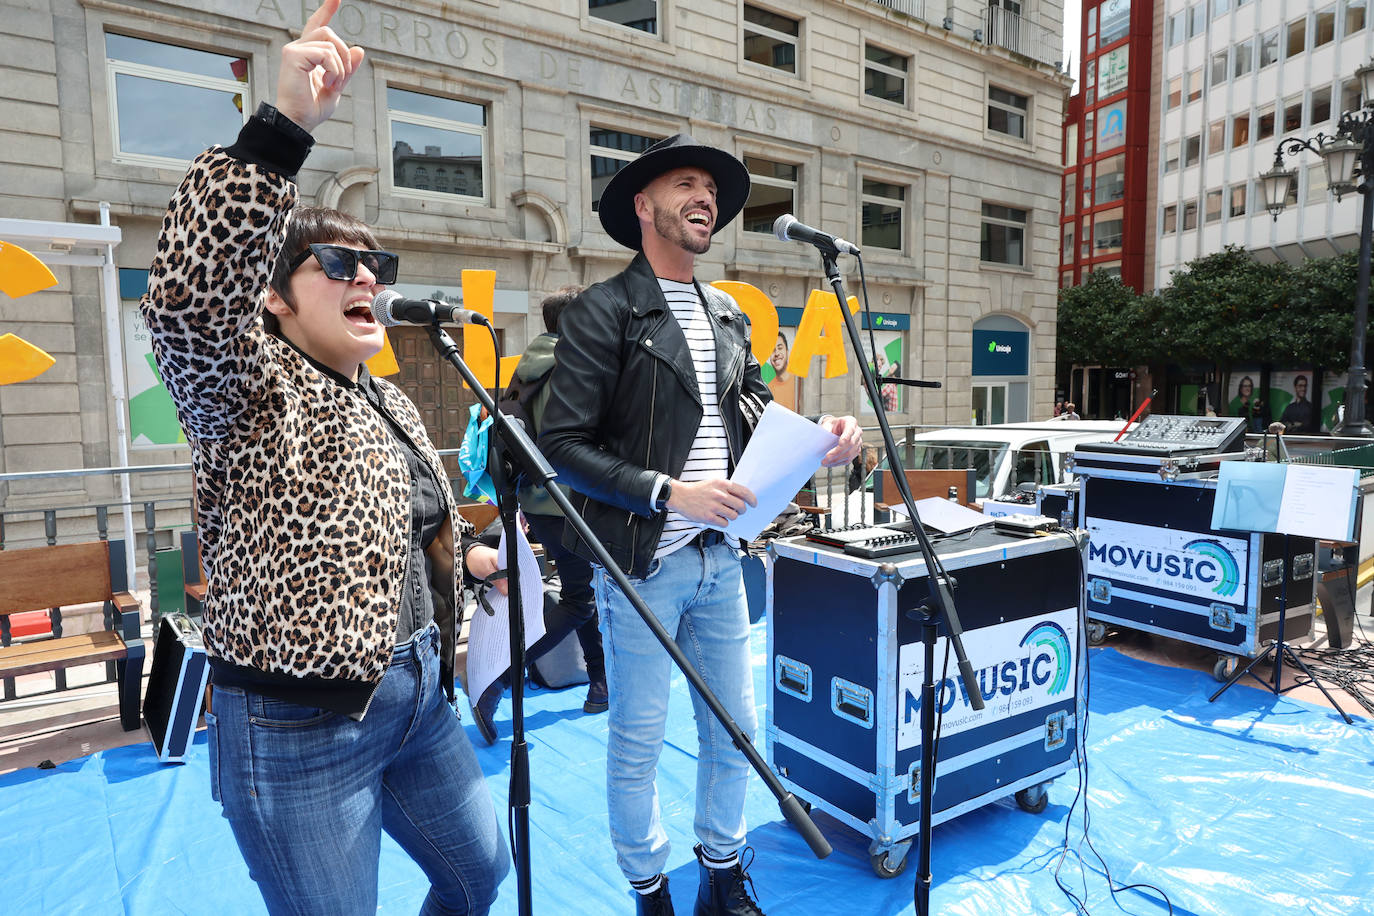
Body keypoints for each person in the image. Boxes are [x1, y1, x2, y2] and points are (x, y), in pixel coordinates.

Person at [140, 4, 508, 911]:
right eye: (338, 266)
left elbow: (395, 532)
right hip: (301, 729)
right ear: (273, 300)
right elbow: (190, 302)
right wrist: (282, 132)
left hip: (420, 703)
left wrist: (467, 558)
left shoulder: (385, 394)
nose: (368, 280)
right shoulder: (247, 385)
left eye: (373, 262)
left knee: (479, 872)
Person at [538, 134, 863, 916]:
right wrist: (665, 492)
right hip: (646, 564)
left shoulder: (725, 312)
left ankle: (722, 873)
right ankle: (650, 888)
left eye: (711, 190)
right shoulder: (602, 312)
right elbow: (562, 444)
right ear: (643, 207)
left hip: (723, 561)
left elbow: (748, 410)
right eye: (686, 184)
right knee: (639, 739)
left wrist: (819, 436)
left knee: (736, 734)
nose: (705, 197)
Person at [470, 286, 608, 744]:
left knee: (579, 590)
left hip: (537, 505)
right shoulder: (575, 370)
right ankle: (502, 673)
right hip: (573, 504)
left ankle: (599, 684)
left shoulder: (526, 371)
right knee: (579, 601)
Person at [765, 330, 797, 412]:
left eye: (780, 348)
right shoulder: (767, 389)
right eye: (772, 350)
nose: (776, 353)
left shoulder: (798, 383)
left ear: (787, 351)